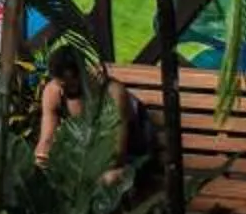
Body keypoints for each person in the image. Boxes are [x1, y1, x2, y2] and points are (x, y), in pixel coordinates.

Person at [35, 44, 156, 180]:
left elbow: (117, 154)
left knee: (108, 179)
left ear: (84, 73)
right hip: (85, 158)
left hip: (131, 157)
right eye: (62, 84)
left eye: (71, 84)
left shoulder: (113, 93)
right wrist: (41, 162)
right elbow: (46, 140)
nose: (66, 90)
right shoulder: (54, 92)